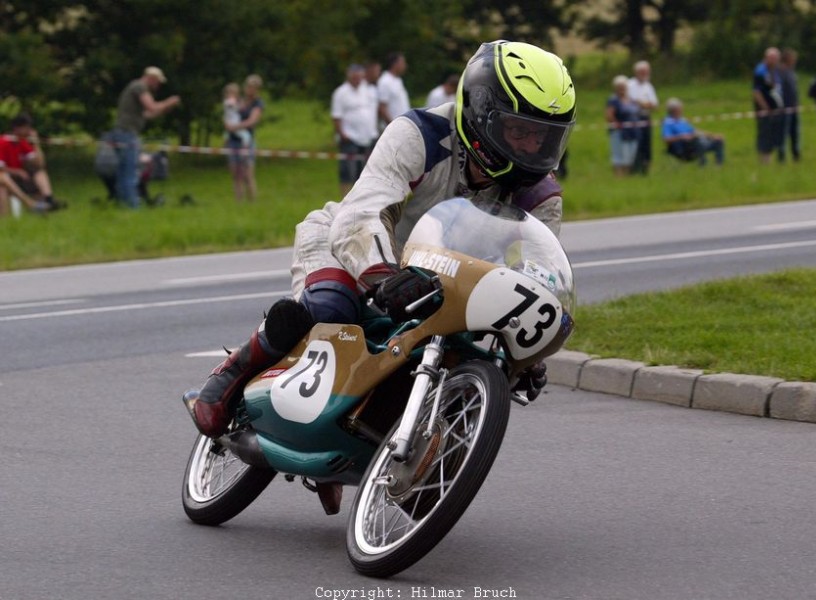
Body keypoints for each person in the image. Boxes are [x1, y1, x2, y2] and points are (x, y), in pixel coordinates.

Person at [183, 40, 576, 514]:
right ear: (482, 112)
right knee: (331, 308)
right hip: (351, 245)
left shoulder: (542, 197)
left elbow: (530, 275)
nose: (532, 148)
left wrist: (525, 350)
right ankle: (237, 368)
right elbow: (363, 212)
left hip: (445, 285)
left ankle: (407, 457)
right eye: (519, 131)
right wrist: (382, 274)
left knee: (472, 357)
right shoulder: (418, 134)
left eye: (544, 136)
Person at [112, 66, 180, 208]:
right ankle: (133, 206)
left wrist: (166, 108)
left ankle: (122, 203)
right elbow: (152, 107)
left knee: (123, 171)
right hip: (127, 134)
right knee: (131, 172)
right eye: (157, 82)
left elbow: (147, 115)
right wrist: (170, 101)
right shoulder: (139, 87)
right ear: (151, 78)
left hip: (123, 133)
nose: (158, 85)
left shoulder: (134, 87)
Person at [0, 113, 65, 210]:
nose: (29, 131)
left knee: (39, 171)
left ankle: (49, 200)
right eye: (27, 128)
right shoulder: (3, 142)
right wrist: (17, 171)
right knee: (3, 178)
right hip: (8, 178)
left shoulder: (22, 142)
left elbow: (40, 164)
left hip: (20, 179)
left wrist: (36, 144)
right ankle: (30, 204)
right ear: (17, 128)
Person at [331, 64, 379, 197]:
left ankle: (360, 199)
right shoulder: (341, 92)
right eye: (355, 78)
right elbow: (336, 116)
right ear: (349, 77)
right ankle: (345, 199)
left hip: (367, 137)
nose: (358, 81)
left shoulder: (368, 90)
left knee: (364, 173)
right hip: (350, 138)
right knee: (347, 172)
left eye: (360, 78)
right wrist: (342, 134)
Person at [225, 74, 264, 201]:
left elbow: (252, 121)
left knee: (247, 173)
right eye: (248, 86)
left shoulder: (258, 103)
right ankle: (239, 200)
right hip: (233, 140)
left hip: (246, 141)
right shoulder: (239, 100)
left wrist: (235, 127)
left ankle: (252, 200)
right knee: (235, 172)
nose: (250, 89)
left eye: (253, 87)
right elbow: (229, 113)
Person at [661, 97, 725, 166]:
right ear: (674, 111)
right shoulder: (668, 123)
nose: (682, 110)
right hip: (682, 148)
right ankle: (703, 165)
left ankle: (718, 166)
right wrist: (681, 137)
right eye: (680, 109)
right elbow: (666, 139)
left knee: (718, 140)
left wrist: (713, 135)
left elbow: (695, 131)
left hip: (694, 143)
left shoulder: (682, 120)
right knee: (696, 140)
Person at [752, 47, 785, 165]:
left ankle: (769, 159)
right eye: (774, 58)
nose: (776, 61)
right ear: (768, 58)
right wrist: (765, 107)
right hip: (765, 111)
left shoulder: (774, 70)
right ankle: (764, 161)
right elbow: (756, 92)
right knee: (765, 135)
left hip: (775, 110)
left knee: (772, 135)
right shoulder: (760, 71)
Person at [627, 60, 658, 175]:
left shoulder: (648, 86)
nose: (645, 74)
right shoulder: (630, 85)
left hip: (646, 117)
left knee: (647, 144)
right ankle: (633, 167)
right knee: (636, 144)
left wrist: (644, 104)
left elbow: (654, 104)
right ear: (637, 72)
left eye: (646, 72)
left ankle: (646, 168)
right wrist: (644, 104)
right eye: (643, 72)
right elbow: (631, 101)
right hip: (634, 118)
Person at [606, 75, 640, 176]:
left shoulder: (631, 99)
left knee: (630, 154)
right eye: (620, 87)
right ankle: (619, 175)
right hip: (619, 132)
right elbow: (609, 115)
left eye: (624, 86)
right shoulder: (613, 100)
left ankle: (628, 174)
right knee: (619, 154)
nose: (622, 89)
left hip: (632, 131)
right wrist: (618, 125)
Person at [377, 52, 410, 128]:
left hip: (403, 126)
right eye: (403, 62)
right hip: (393, 129)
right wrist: (393, 125)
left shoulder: (398, 80)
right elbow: (382, 108)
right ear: (395, 64)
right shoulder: (385, 81)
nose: (405, 65)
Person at [778, 49, 800, 162]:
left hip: (794, 107)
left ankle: (796, 156)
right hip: (785, 108)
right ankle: (782, 157)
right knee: (783, 133)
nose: (795, 61)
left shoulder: (792, 72)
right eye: (793, 58)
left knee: (795, 133)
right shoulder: (781, 72)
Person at [222, 83, 251, 150]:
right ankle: (244, 147)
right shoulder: (229, 102)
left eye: (235, 93)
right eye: (231, 93)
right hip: (233, 123)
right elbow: (237, 106)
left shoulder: (229, 101)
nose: (233, 95)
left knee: (229, 133)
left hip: (233, 122)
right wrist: (241, 104)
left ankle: (226, 141)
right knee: (246, 136)